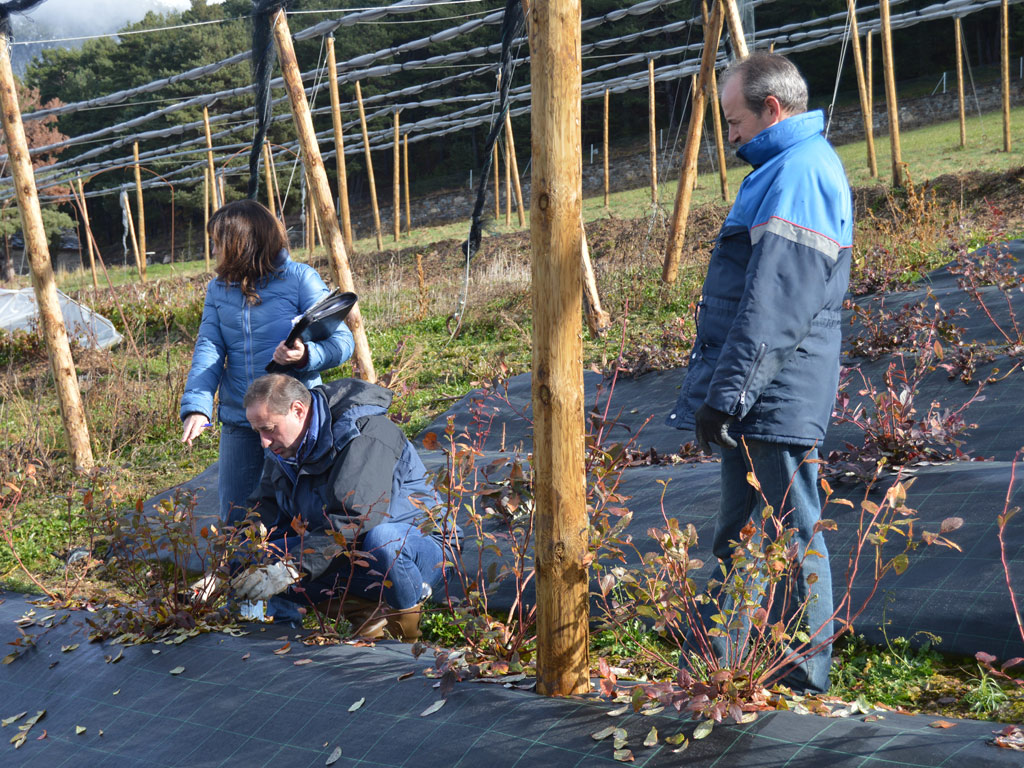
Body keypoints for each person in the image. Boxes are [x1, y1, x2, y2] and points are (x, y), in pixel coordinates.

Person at [665, 52, 852, 693]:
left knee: (795, 534)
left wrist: (731, 394)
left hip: (775, 391)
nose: (731, 132)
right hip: (758, 393)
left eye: (735, 118)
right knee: (740, 534)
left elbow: (774, 303)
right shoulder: (779, 169)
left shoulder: (799, 172)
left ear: (772, 109)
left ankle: (805, 678)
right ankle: (719, 662)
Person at [228, 373, 457, 640]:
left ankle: (405, 636)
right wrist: (233, 564)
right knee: (261, 558)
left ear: (298, 410)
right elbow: (262, 514)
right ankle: (368, 616)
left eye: (269, 428)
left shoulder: (365, 434)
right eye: (258, 432)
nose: (264, 442)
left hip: (421, 551)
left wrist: (292, 567)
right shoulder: (284, 452)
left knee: (383, 541)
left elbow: (356, 519)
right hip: (352, 552)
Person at [180, 199, 354, 523]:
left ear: (241, 244)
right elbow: (209, 349)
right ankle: (242, 572)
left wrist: (305, 355)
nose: (214, 251)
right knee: (236, 516)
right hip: (240, 417)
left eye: (218, 243)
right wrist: (197, 407)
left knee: (299, 512)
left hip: (291, 418)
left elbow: (343, 343)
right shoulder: (219, 290)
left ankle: (297, 571)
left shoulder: (300, 279)